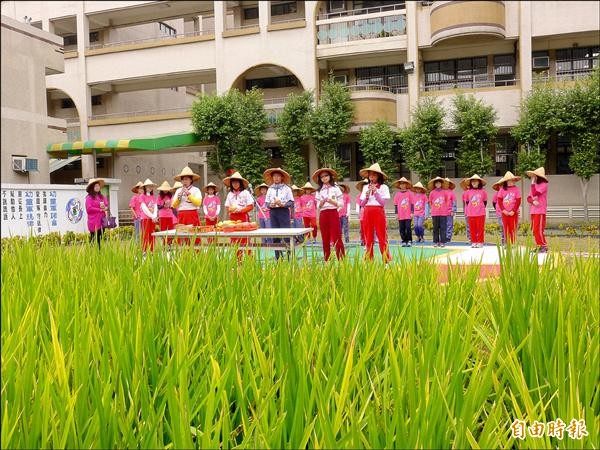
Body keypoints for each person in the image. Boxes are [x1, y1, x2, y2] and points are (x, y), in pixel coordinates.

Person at [359, 163, 391, 262]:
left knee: (382, 236)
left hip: (378, 211)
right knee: (368, 236)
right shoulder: (365, 188)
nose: (371, 177)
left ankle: (386, 260)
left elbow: (382, 203)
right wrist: (367, 196)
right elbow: (362, 204)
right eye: (370, 175)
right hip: (367, 211)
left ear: (379, 176)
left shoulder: (384, 187)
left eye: (374, 175)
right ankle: (369, 259)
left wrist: (376, 192)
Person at [313, 168, 345, 261]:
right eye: (322, 176)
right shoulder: (319, 191)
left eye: (326, 175)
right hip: (323, 214)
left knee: (337, 237)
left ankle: (341, 260)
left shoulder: (336, 188)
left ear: (330, 176)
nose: (324, 178)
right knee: (325, 237)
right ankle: (327, 260)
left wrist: (332, 201)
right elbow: (318, 206)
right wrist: (322, 202)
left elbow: (341, 204)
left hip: (333, 212)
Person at [264, 168, 294, 260]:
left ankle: (289, 257)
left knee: (286, 234)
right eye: (274, 176)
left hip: (283, 212)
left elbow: (291, 202)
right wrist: (270, 205)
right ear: (272, 178)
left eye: (278, 176)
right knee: (275, 234)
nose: (276, 178)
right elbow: (267, 203)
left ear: (282, 177)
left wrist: (282, 204)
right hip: (273, 213)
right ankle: (278, 257)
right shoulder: (270, 189)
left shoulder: (287, 189)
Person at [223, 171, 254, 259]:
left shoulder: (245, 193)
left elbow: (250, 206)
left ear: (240, 183)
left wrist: (241, 210)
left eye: (237, 182)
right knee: (234, 240)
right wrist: (232, 210)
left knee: (245, 240)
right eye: (233, 182)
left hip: (243, 218)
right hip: (232, 219)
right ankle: (238, 261)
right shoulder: (230, 194)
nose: (235, 184)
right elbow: (227, 207)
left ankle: (250, 261)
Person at [172, 166, 202, 246]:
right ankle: (182, 254)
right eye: (183, 179)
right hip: (181, 214)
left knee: (194, 236)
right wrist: (179, 197)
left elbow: (198, 203)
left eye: (186, 179)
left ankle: (196, 254)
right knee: (181, 236)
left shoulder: (196, 190)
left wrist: (189, 194)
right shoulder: (178, 190)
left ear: (191, 180)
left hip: (192, 214)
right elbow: (174, 205)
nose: (184, 181)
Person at [494, 171, 522, 245]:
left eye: (512, 180)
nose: (510, 182)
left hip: (514, 213)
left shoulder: (516, 189)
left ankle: (513, 243)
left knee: (513, 228)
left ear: (514, 181)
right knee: (506, 228)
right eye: (508, 181)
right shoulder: (502, 189)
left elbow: (518, 201)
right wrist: (503, 210)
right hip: (504, 213)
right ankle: (507, 243)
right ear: (505, 181)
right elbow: (499, 200)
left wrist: (513, 210)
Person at [526, 167, 549, 253]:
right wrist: (532, 201)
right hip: (533, 211)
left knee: (538, 229)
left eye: (534, 176)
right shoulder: (534, 186)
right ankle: (540, 246)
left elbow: (535, 193)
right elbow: (528, 198)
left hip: (540, 211)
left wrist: (532, 184)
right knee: (535, 230)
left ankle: (543, 246)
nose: (533, 177)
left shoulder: (544, 185)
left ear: (538, 177)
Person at [461, 175, 488, 248]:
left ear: (479, 182)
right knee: (472, 228)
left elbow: (485, 202)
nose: (474, 182)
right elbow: (467, 202)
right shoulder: (468, 192)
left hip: (481, 213)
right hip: (471, 213)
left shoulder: (483, 192)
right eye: (472, 181)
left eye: (475, 181)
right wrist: (472, 208)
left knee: (480, 228)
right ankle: (474, 241)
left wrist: (479, 207)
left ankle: (480, 242)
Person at [85, 178, 108, 249]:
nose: (97, 187)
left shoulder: (101, 196)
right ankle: (92, 254)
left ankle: (99, 253)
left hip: (102, 220)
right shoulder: (89, 198)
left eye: (98, 186)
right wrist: (100, 210)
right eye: (95, 186)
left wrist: (105, 207)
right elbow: (89, 209)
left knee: (100, 238)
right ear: (92, 188)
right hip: (94, 221)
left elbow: (106, 204)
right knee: (94, 238)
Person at [428, 176, 449, 248]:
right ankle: (436, 242)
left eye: (439, 183)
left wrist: (445, 209)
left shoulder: (445, 192)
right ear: (435, 184)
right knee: (435, 228)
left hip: (443, 213)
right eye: (436, 183)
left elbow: (447, 201)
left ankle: (443, 242)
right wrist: (433, 208)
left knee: (443, 228)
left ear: (441, 184)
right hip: (435, 213)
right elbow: (430, 202)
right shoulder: (432, 193)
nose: (438, 184)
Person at [392, 177, 413, 247]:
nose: (403, 185)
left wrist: (412, 212)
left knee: (408, 228)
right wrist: (396, 214)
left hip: (408, 214)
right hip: (400, 215)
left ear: (406, 185)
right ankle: (404, 240)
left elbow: (412, 203)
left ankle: (409, 240)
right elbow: (395, 204)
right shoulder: (397, 194)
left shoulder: (409, 193)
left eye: (404, 184)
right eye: (401, 184)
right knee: (402, 228)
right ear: (399, 185)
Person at [139, 179, 158, 253]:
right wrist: (152, 216)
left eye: (151, 186)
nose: (149, 188)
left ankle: (152, 250)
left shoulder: (153, 197)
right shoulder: (142, 196)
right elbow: (144, 208)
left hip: (152, 218)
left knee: (152, 234)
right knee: (145, 234)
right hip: (145, 218)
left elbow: (155, 207)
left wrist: (155, 216)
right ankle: (145, 250)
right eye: (148, 186)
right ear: (145, 187)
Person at [157, 181, 176, 247]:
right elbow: (158, 207)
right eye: (164, 189)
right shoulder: (159, 196)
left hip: (170, 215)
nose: (165, 190)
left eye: (166, 189)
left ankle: (169, 244)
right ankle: (164, 244)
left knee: (170, 230)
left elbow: (173, 206)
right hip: (162, 215)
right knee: (163, 230)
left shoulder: (171, 196)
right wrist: (163, 205)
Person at [491, 178, 505, 245]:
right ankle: (503, 240)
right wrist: (497, 209)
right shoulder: (496, 194)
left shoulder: (507, 193)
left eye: (503, 185)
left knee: (506, 226)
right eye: (500, 185)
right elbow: (494, 202)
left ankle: (507, 240)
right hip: (500, 213)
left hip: (507, 213)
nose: (501, 186)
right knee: (502, 226)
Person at [355, 179, 368, 246]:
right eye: (363, 186)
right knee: (362, 228)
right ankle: (363, 240)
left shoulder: (371, 193)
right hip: (362, 213)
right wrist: (358, 213)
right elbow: (358, 205)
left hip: (369, 212)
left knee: (369, 228)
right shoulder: (359, 196)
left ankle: (370, 240)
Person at [444, 178, 457, 242]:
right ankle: (443, 236)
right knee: (443, 225)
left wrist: (453, 210)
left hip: (449, 211)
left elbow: (454, 202)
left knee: (449, 224)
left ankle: (448, 237)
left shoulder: (451, 192)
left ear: (449, 184)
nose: (446, 184)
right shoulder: (441, 191)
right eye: (445, 182)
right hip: (442, 212)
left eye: (447, 183)